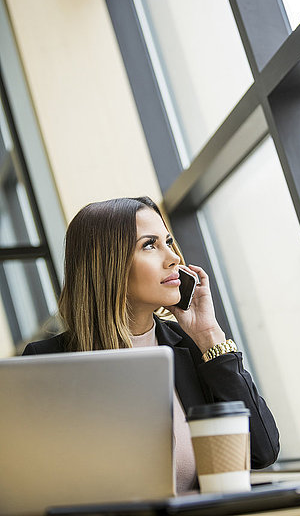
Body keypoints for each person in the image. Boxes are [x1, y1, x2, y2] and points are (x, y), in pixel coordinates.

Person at [23, 196, 279, 492]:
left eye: (168, 242)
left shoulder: (193, 346)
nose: (173, 258)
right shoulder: (47, 362)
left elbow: (263, 451)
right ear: (108, 265)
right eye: (149, 245)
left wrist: (209, 334)